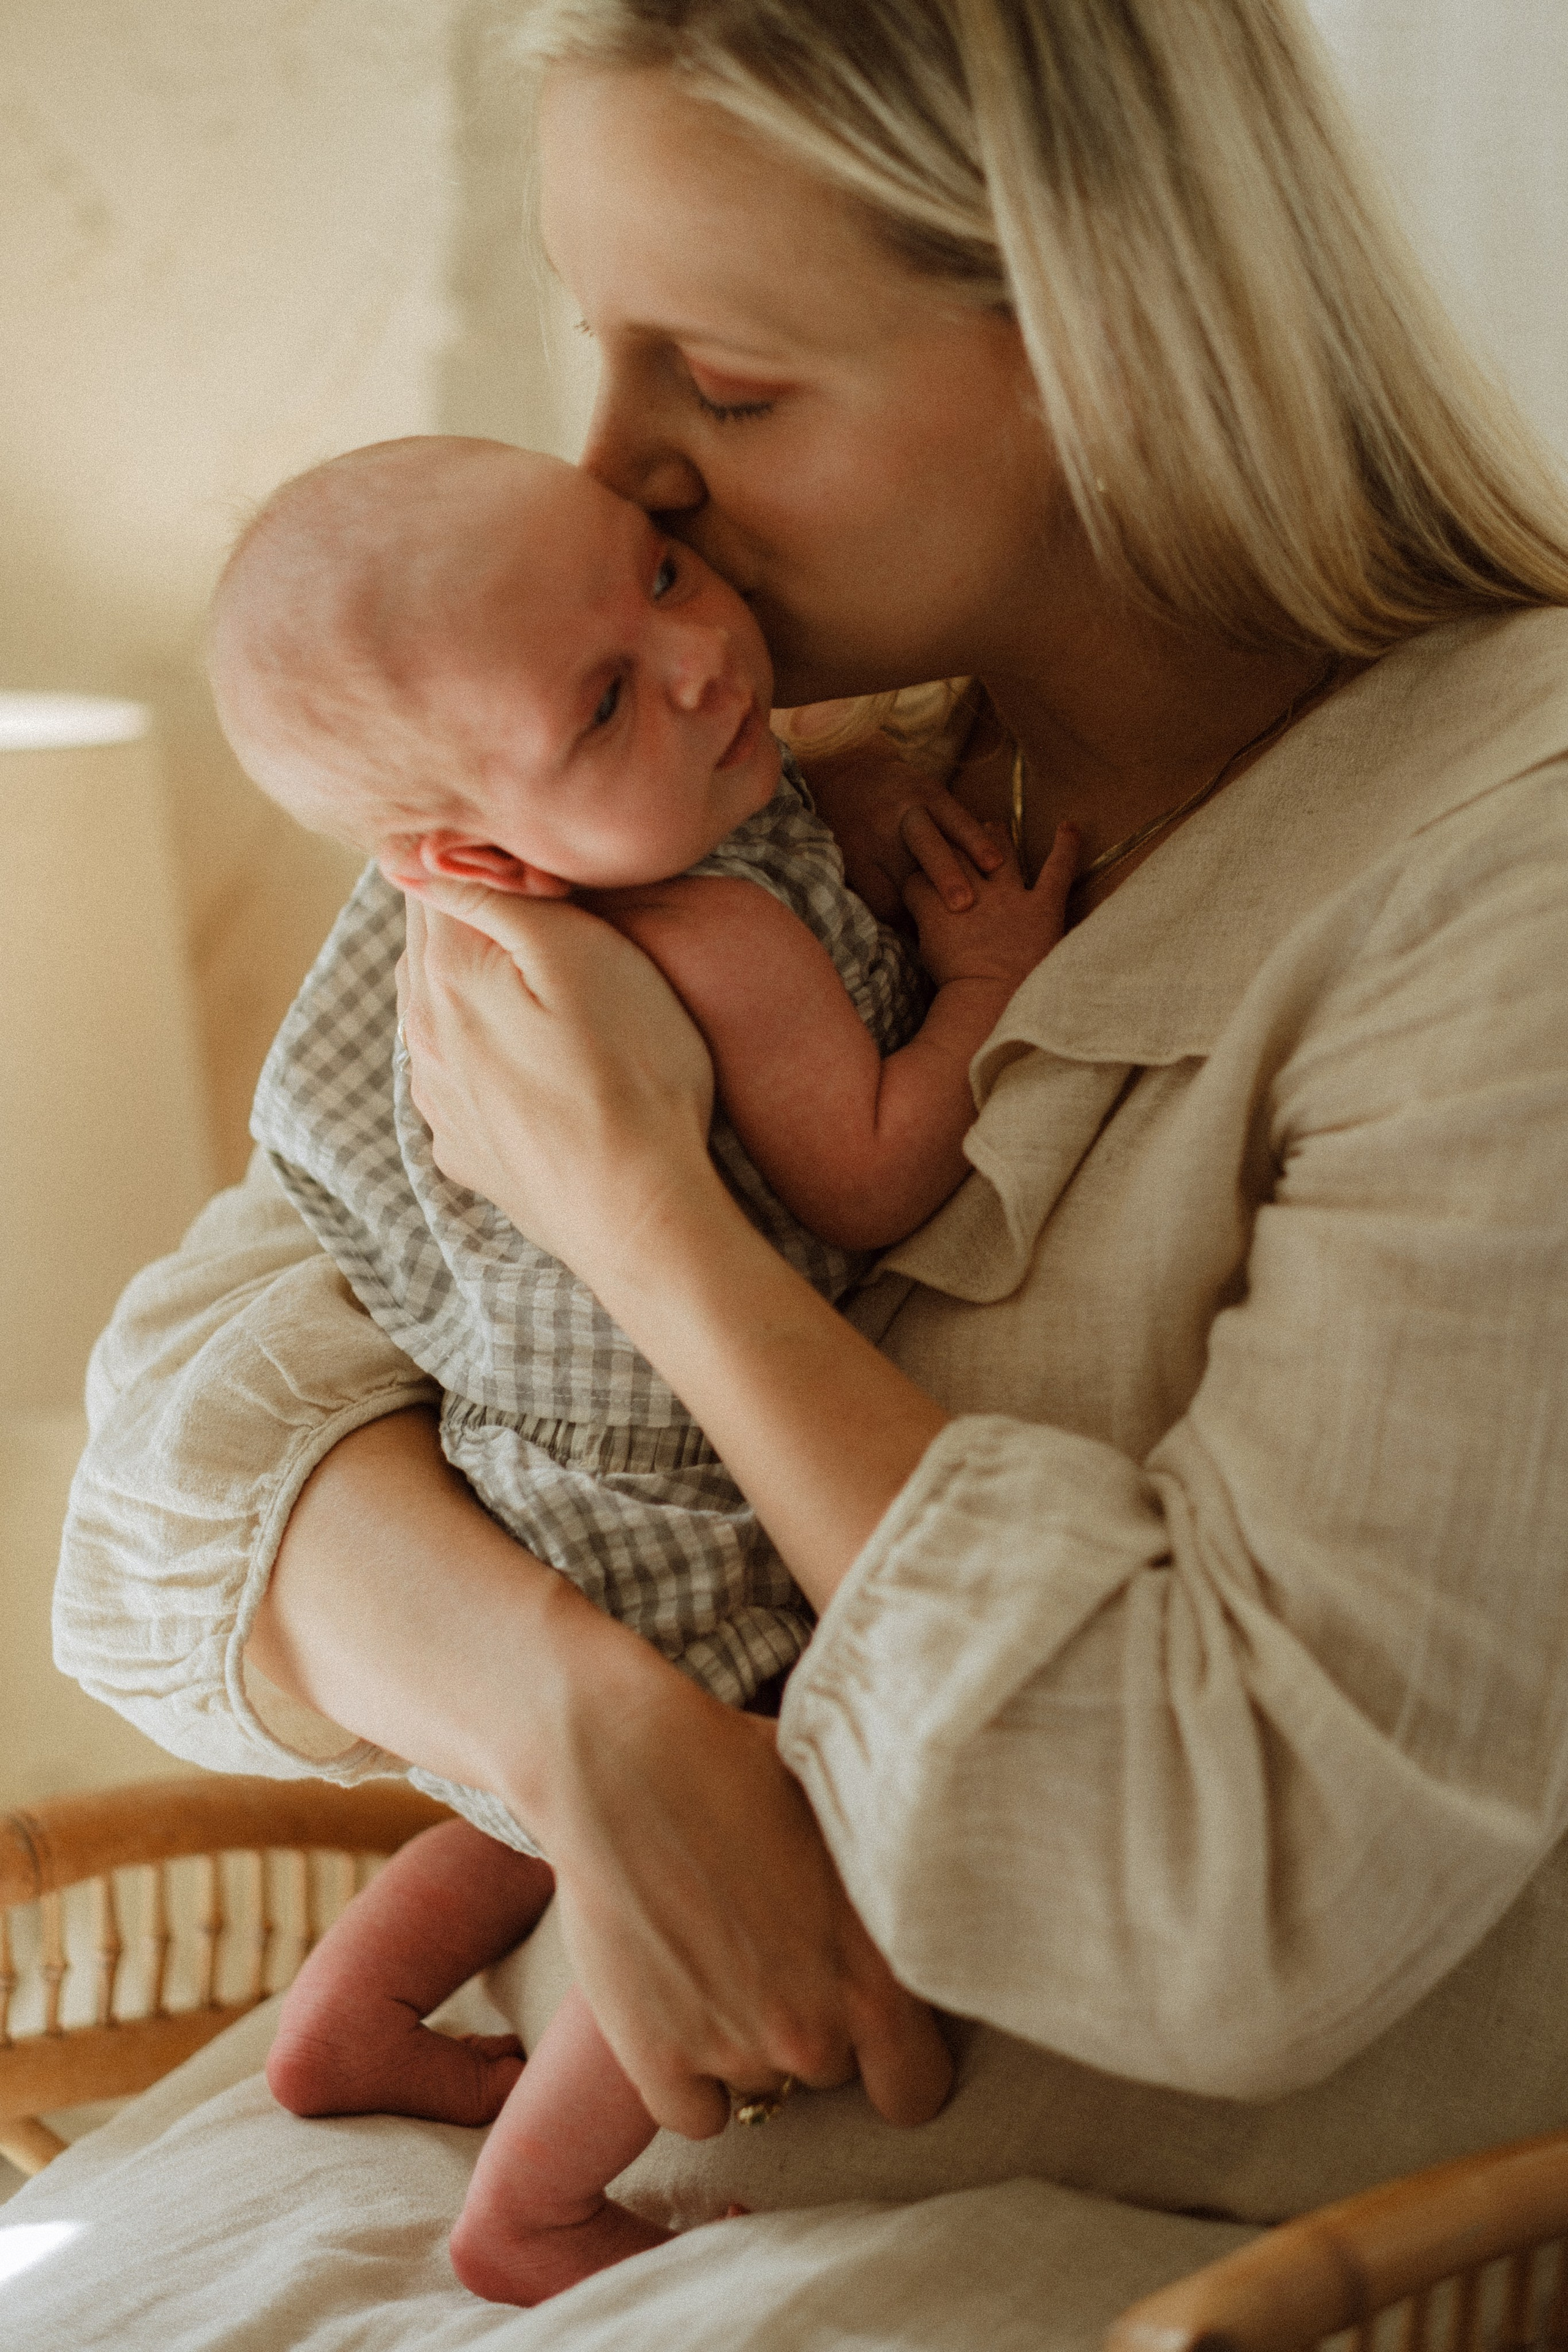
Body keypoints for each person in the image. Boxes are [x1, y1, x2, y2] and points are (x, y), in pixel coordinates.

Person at [50, 1, 1568, 2338]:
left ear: (1104, 342)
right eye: (597, 345)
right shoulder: (690, 766)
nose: (609, 477)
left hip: (1109, 2261)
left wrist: (657, 1228)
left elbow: (1216, 1886)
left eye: (724, 389)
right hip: (460, 2192)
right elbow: (168, 1471)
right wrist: (597, 1724)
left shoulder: (1500, 876)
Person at [206, 433, 1069, 2302]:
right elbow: (873, 1163)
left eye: (659, 578)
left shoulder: (483, 926)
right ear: (479, 850)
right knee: (718, 1807)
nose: (699, 658)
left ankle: (344, 2018)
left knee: (528, 1809)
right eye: (606, 698)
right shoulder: (712, 925)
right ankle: (529, 2204)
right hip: (676, 1489)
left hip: (519, 1462)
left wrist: (827, 771)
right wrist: (994, 984)